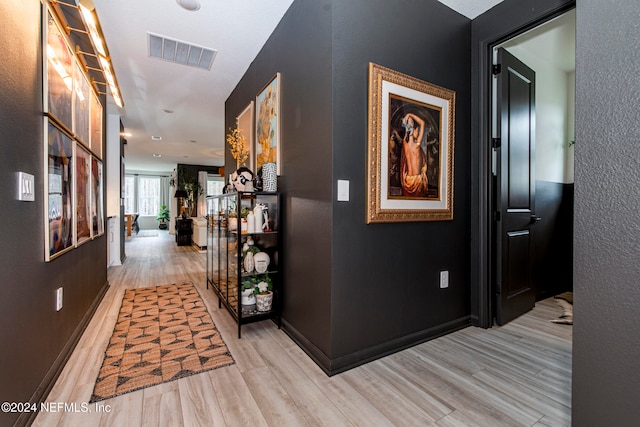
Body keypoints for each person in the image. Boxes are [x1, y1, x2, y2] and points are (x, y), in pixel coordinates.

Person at [400, 112, 429, 197]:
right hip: (417, 181)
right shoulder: (417, 146)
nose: (418, 131)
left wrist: (408, 124)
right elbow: (422, 123)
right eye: (417, 130)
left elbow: (407, 134)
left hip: (408, 180)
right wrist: (410, 114)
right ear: (413, 130)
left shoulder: (405, 144)